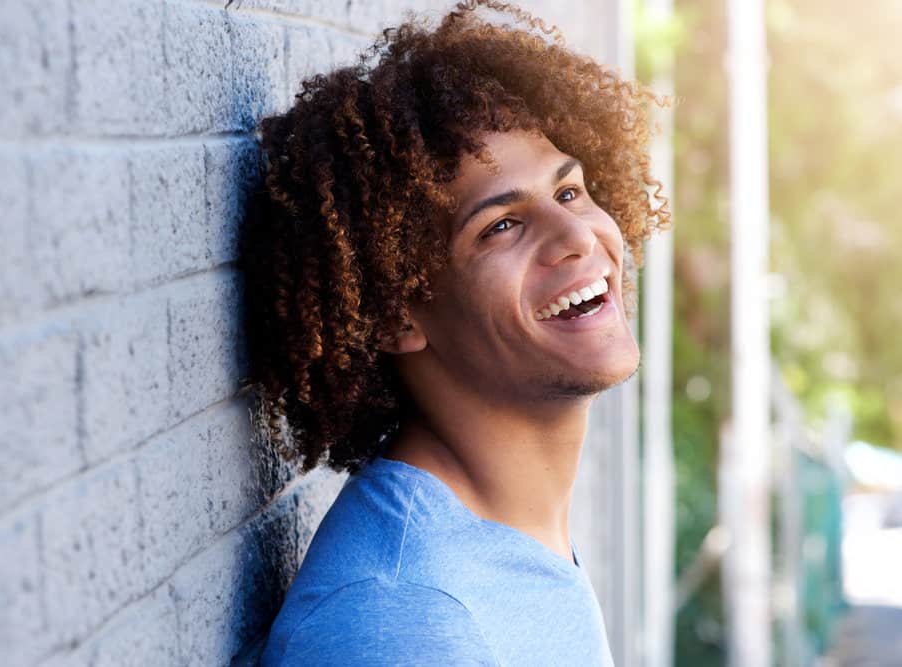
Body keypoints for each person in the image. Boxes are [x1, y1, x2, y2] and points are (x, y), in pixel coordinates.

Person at [237, 1, 670, 663]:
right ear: (393, 314)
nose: (578, 237)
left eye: (569, 192)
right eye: (500, 225)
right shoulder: (405, 619)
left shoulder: (505, 542)